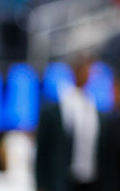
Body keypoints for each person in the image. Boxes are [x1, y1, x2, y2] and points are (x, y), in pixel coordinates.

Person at [35, 53, 103, 191]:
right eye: (85, 70)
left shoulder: (93, 105)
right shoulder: (55, 108)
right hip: (62, 180)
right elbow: (42, 151)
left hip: (91, 180)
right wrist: (41, 184)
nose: (88, 75)